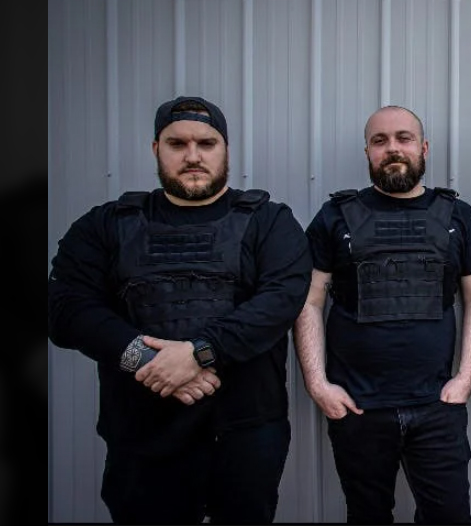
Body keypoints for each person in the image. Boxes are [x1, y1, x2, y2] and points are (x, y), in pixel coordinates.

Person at [47, 96, 313, 524]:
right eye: (177, 144)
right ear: (157, 148)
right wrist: (145, 358)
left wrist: (198, 353)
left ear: (225, 149)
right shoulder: (106, 225)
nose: (193, 156)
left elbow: (279, 302)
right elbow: (65, 309)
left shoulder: (269, 222)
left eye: (206, 143)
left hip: (244, 430)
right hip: (143, 432)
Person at [292, 105, 471, 524]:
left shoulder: (459, 216)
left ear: (424, 148)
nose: (392, 149)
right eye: (379, 141)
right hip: (357, 407)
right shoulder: (334, 216)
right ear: (367, 151)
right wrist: (318, 385)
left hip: (436, 405)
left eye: (404, 138)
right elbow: (309, 301)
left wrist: (466, 377)